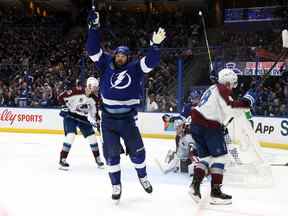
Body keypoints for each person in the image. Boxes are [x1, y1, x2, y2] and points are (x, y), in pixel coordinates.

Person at [85, 10, 166, 203]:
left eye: (123, 55)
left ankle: (143, 176)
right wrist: (93, 29)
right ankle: (116, 185)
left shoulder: (136, 68)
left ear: (128, 58)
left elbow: (151, 62)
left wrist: (154, 46)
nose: (120, 57)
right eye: (118, 54)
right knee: (111, 156)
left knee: (139, 154)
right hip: (108, 120)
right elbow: (92, 50)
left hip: (128, 119)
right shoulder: (105, 63)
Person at [188, 68, 256, 205]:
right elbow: (231, 108)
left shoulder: (212, 88)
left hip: (196, 124)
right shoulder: (222, 89)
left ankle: (194, 187)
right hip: (209, 126)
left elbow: (223, 109)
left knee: (206, 158)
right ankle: (215, 192)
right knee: (221, 157)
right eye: (233, 83)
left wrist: (242, 104)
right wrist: (247, 102)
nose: (233, 87)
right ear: (228, 82)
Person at [58, 77, 104, 170]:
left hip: (83, 118)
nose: (96, 89)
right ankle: (62, 159)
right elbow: (61, 97)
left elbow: (94, 113)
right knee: (71, 136)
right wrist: (64, 107)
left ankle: (98, 159)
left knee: (92, 138)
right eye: (94, 87)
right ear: (89, 86)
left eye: (97, 87)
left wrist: (98, 122)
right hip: (70, 116)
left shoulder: (95, 98)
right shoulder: (76, 91)